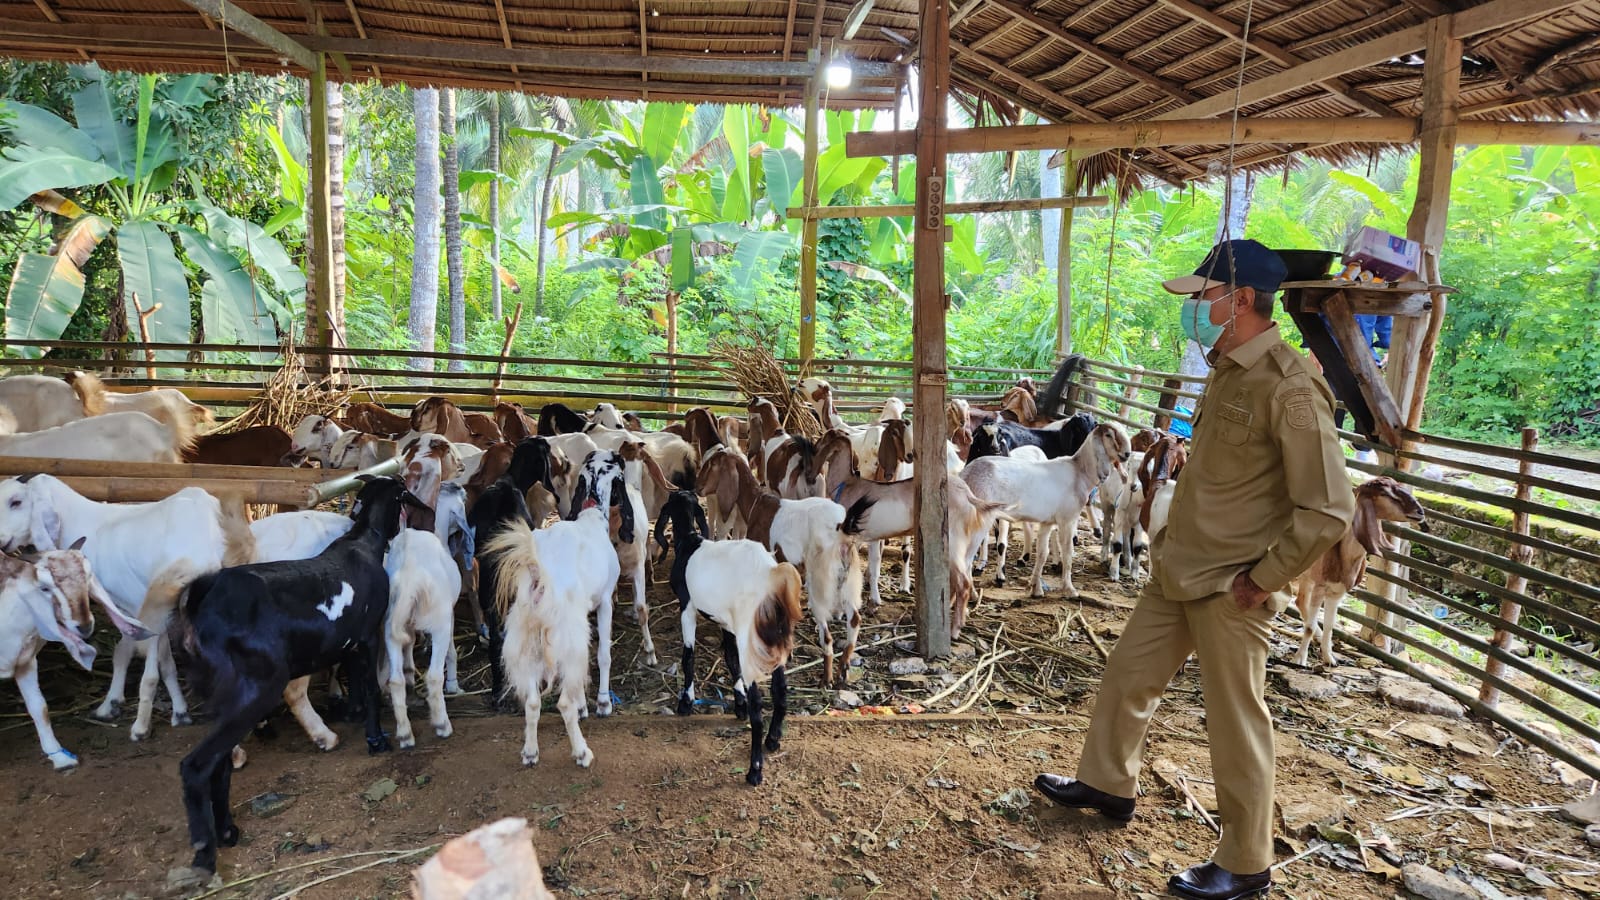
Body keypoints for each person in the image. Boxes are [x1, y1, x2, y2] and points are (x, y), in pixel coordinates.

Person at [1033, 239, 1356, 900]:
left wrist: (1263, 579)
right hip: (1179, 567)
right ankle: (1108, 783)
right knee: (1126, 677)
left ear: (1239, 300)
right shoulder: (1228, 369)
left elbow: (1327, 510)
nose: (1195, 308)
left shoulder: (1290, 386)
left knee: (1236, 721)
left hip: (1234, 586)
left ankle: (1245, 862)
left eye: (1203, 296)